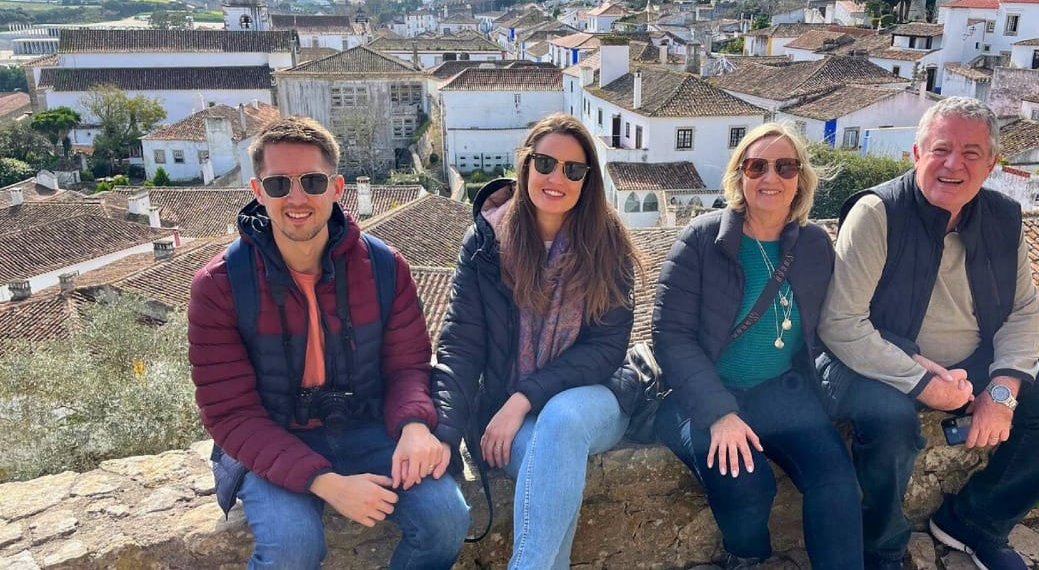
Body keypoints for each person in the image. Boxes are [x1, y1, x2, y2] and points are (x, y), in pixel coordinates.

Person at [818, 96, 1039, 570]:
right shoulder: (877, 213)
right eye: (940, 149)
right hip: (879, 360)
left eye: (971, 153)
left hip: (972, 363)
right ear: (916, 154)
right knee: (890, 427)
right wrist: (924, 382)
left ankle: (976, 522)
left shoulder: (1003, 218)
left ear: (991, 163)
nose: (953, 164)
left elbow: (1022, 311)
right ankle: (882, 550)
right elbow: (841, 324)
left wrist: (1003, 386)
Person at [188, 116, 469, 570]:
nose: (296, 198)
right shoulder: (221, 286)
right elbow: (230, 414)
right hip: (274, 436)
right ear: (258, 191)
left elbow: (408, 367)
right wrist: (327, 482)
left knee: (447, 519)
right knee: (292, 546)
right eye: (279, 184)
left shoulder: (382, 267)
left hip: (367, 428)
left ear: (336, 187)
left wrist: (415, 426)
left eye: (312, 181)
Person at [431, 113, 640, 569]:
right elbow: (460, 347)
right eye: (545, 163)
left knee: (562, 420)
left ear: (588, 181)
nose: (556, 178)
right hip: (509, 414)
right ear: (525, 165)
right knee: (548, 480)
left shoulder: (609, 245)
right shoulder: (486, 243)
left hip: (593, 400)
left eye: (573, 169)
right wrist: (445, 435)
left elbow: (606, 350)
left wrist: (524, 397)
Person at [652, 123, 864, 570]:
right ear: (740, 176)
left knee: (836, 480)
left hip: (782, 393)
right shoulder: (701, 239)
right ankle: (746, 558)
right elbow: (670, 336)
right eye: (757, 166)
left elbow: (838, 323)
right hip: (703, 397)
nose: (771, 177)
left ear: (800, 181)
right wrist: (719, 412)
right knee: (747, 484)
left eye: (785, 166)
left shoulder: (813, 245)